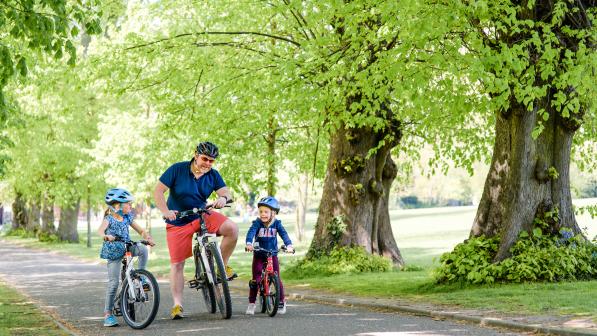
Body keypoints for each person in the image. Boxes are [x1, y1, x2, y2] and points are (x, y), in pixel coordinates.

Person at [154, 141, 239, 320]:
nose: (208, 163)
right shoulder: (177, 169)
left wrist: (223, 198)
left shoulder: (213, 175)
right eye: (205, 159)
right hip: (177, 220)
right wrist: (166, 211)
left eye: (212, 161)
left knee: (232, 228)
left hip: (201, 214)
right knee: (177, 264)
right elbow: (158, 191)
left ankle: (220, 267)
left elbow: (226, 193)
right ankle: (177, 305)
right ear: (195, 155)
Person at [98, 188, 155, 327]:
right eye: (128, 204)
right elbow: (100, 230)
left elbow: (140, 230)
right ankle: (108, 314)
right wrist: (106, 236)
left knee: (142, 249)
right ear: (117, 206)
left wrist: (147, 237)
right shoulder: (109, 219)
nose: (131, 206)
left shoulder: (128, 217)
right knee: (114, 283)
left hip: (127, 247)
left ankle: (140, 277)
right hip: (114, 252)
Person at [245, 196, 294, 315]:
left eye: (266, 212)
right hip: (259, 254)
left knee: (277, 277)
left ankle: (281, 301)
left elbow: (284, 234)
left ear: (273, 213)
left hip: (272, 254)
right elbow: (251, 232)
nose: (263, 214)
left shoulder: (277, 224)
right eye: (261, 211)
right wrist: (249, 243)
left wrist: (289, 245)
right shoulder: (257, 223)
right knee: (256, 279)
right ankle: (252, 303)